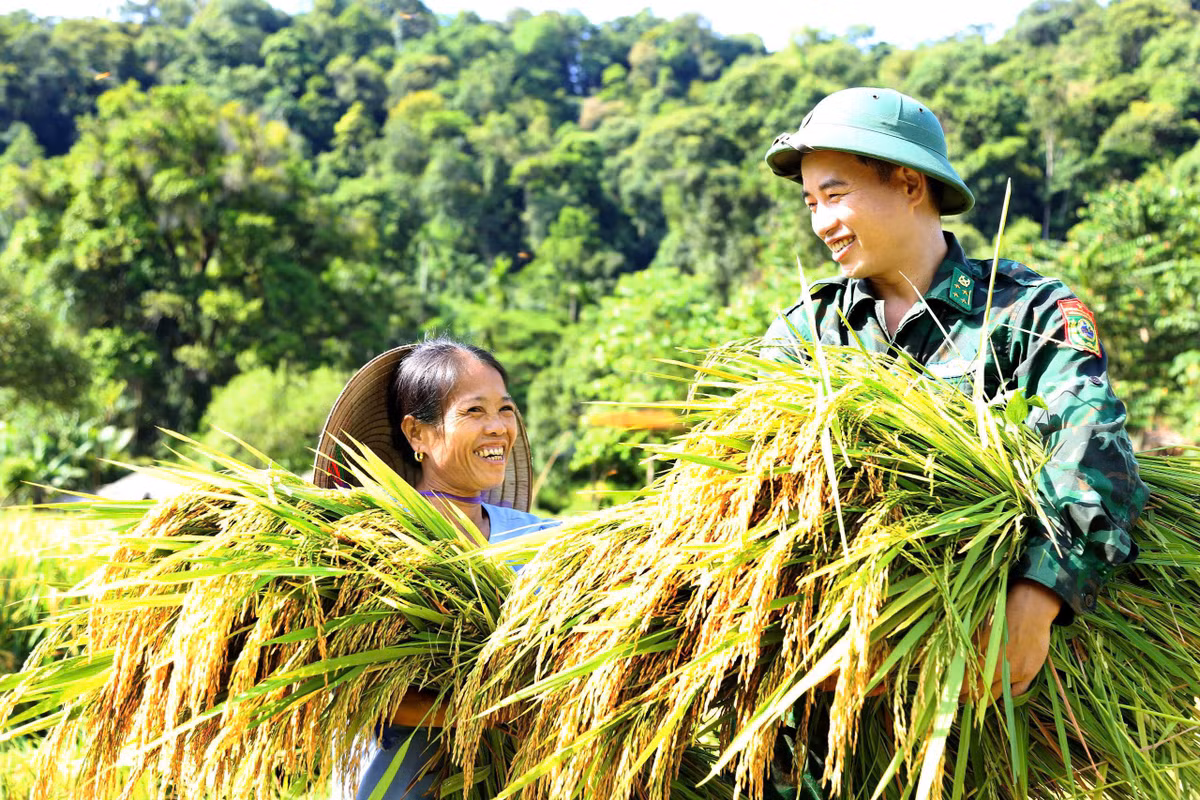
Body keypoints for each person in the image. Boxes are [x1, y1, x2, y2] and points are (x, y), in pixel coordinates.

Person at [759, 87, 1148, 797]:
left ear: (908, 184)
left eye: (835, 194)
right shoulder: (805, 338)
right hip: (833, 728)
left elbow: (1091, 443)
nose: (821, 221)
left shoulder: (1029, 314)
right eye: (811, 202)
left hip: (1001, 706)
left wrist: (1038, 595)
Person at [313, 338, 557, 800]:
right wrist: (500, 709)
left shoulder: (547, 540)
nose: (498, 428)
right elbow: (357, 691)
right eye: (473, 412)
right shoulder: (373, 544)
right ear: (418, 434)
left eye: (505, 410)